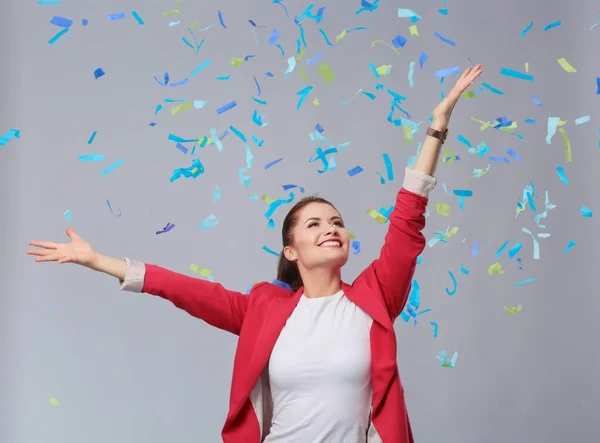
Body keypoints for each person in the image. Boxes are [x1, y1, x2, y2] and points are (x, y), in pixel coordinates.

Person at [27, 65, 483, 443]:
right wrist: (96, 259)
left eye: (337, 222)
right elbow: (184, 289)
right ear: (291, 249)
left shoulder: (375, 298)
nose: (331, 228)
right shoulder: (265, 308)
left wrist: (437, 127)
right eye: (315, 223)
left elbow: (407, 222)